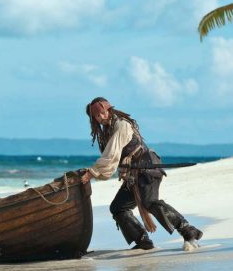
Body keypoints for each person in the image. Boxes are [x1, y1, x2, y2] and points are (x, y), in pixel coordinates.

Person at [81, 97, 203, 250]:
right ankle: (143, 241)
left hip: (147, 169)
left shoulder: (121, 125)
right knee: (118, 207)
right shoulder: (107, 130)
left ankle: (189, 232)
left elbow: (111, 155)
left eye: (102, 113)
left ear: (109, 110)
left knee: (150, 202)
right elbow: (113, 156)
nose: (101, 118)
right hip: (133, 176)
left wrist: (92, 173)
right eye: (97, 116)